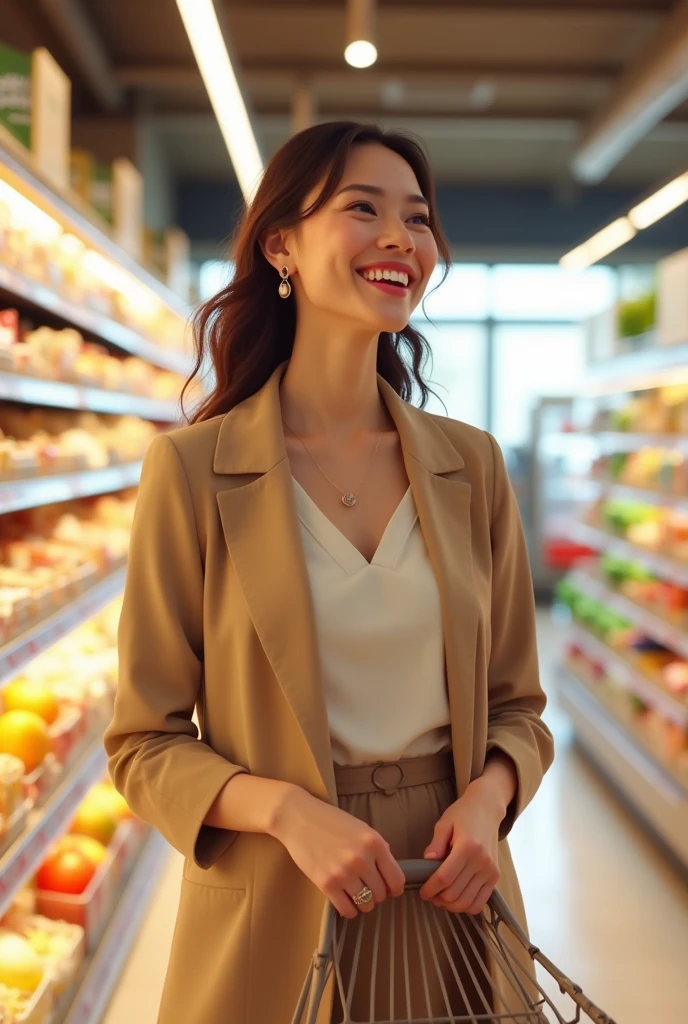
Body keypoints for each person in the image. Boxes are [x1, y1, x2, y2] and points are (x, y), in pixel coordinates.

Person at [104, 120, 554, 1024]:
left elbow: (520, 710)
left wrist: (488, 798)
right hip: (282, 886)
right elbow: (143, 744)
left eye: (418, 220)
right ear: (282, 244)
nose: (402, 239)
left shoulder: (472, 467)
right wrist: (283, 811)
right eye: (363, 209)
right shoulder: (193, 472)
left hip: (449, 886)